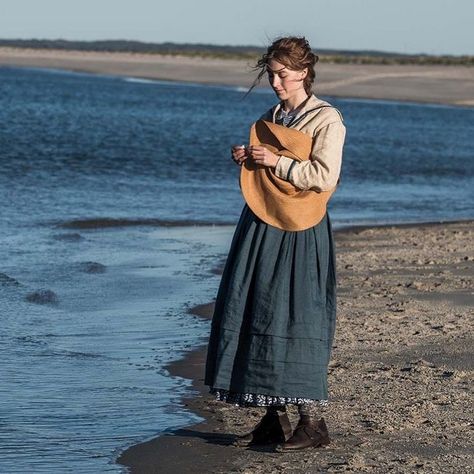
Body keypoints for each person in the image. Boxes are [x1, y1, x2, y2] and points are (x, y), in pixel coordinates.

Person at [204, 36, 346, 451]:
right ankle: (273, 419)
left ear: (303, 72)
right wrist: (248, 157)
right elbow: (269, 165)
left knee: (295, 314)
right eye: (271, 75)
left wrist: (276, 161)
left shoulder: (327, 120)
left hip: (302, 229)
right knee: (255, 309)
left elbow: (325, 176)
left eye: (282, 75)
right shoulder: (274, 115)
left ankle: (313, 424)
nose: (276, 82)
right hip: (262, 220)